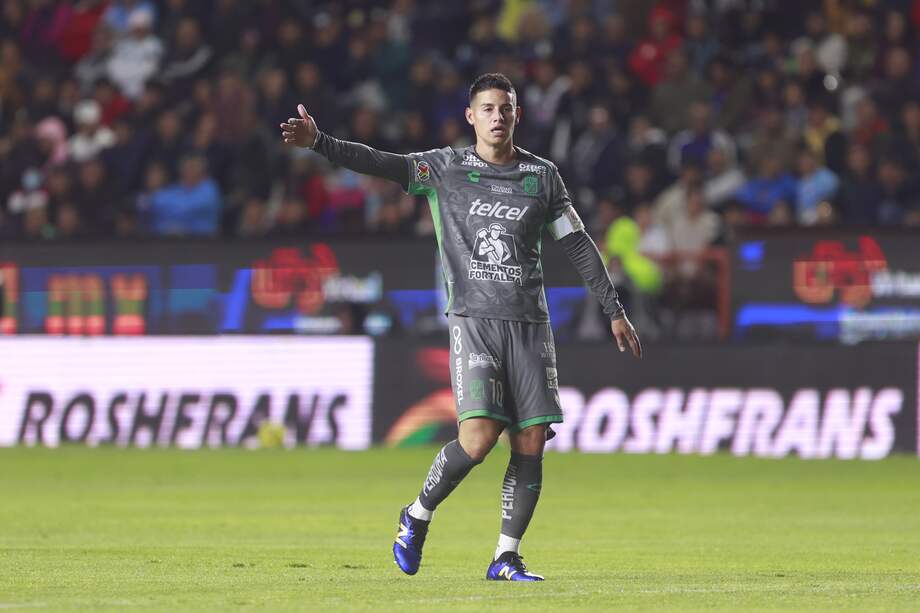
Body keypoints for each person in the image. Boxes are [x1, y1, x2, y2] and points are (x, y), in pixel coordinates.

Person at [281, 73, 642, 581]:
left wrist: (613, 308)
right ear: (471, 116)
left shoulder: (542, 177)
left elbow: (578, 244)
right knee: (478, 440)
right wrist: (320, 142)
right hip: (474, 320)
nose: (498, 117)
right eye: (488, 108)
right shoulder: (445, 168)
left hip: (530, 325)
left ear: (517, 115)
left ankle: (505, 556)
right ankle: (416, 516)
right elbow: (382, 163)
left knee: (532, 439)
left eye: (506, 109)